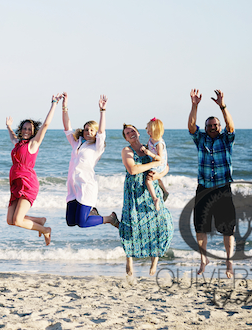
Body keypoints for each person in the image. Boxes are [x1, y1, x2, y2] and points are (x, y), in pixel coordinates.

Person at [188, 88, 236, 278]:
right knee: (200, 226)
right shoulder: (201, 140)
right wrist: (194, 105)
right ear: (206, 127)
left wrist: (222, 106)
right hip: (204, 189)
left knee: (227, 229)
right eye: (209, 125)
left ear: (219, 126)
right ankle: (203, 260)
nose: (212, 127)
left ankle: (229, 262)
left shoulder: (226, 139)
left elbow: (231, 126)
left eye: (215, 125)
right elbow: (192, 126)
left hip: (223, 189)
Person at [4, 94, 62, 245]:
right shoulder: (18, 144)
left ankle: (45, 229)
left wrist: (54, 104)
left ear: (33, 131)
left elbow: (46, 125)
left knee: (17, 220)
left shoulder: (33, 144)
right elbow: (12, 136)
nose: (26, 131)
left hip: (28, 183)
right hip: (16, 184)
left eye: (29, 129)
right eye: (24, 128)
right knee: (10, 220)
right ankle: (40, 221)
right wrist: (8, 126)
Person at [120, 124, 173, 277]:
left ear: (138, 132)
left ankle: (154, 260)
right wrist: (154, 164)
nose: (131, 134)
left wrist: (159, 174)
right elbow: (133, 169)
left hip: (151, 191)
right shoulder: (127, 150)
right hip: (133, 192)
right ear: (126, 138)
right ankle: (129, 260)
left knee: (160, 224)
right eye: (127, 133)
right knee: (131, 225)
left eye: (132, 131)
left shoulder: (148, 147)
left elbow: (165, 164)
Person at [62, 92, 119, 229]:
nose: (88, 132)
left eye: (92, 130)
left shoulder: (97, 147)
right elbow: (67, 128)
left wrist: (102, 111)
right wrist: (64, 107)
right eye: (86, 129)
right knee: (71, 222)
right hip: (73, 187)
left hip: (86, 186)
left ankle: (110, 218)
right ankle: (93, 212)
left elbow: (101, 133)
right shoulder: (77, 143)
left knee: (82, 223)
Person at [144, 117, 170, 212]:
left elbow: (160, 158)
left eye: (150, 131)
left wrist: (149, 153)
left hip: (159, 164)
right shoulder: (151, 138)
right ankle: (165, 191)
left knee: (148, 180)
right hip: (154, 162)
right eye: (147, 130)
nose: (148, 132)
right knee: (157, 178)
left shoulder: (159, 143)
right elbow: (148, 147)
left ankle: (155, 199)